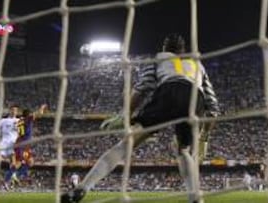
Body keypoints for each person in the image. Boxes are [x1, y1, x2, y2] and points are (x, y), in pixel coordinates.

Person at [61, 34, 219, 203]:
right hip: (195, 98)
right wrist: (204, 138)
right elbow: (213, 108)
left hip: (168, 91)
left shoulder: (159, 59)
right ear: (183, 50)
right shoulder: (198, 65)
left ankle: (83, 188)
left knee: (126, 144)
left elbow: (141, 89)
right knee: (184, 151)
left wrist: (125, 115)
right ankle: (195, 198)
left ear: (164, 48)